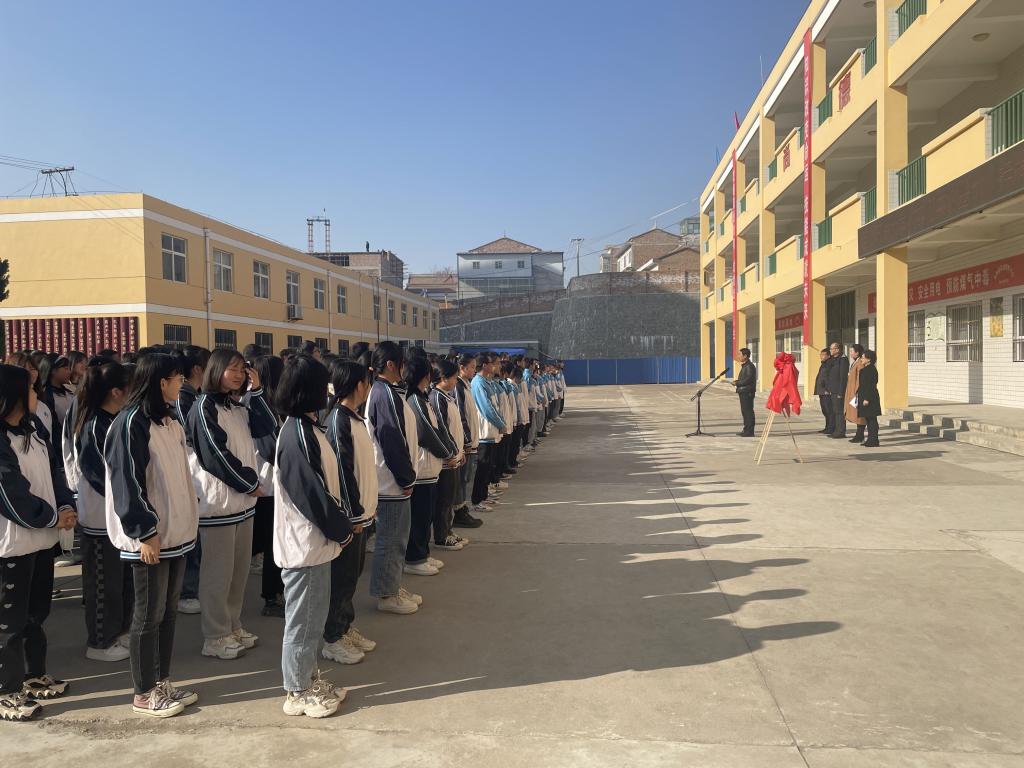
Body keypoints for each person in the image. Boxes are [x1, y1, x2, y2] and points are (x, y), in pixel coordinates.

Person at [104, 353, 199, 718]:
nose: (181, 384)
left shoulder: (169, 421)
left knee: (167, 613)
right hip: (151, 537)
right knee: (147, 615)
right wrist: (145, 531)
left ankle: (162, 682)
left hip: (175, 534)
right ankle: (143, 692)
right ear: (162, 382)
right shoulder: (130, 423)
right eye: (177, 379)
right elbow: (127, 482)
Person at [272, 354, 353, 718]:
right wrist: (341, 529)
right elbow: (312, 495)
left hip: (315, 544)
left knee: (312, 618)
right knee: (303, 622)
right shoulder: (297, 435)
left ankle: (307, 677)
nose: (329, 391)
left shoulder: (307, 429)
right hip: (304, 545)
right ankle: (297, 690)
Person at [187, 349, 276, 660]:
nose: (238, 375)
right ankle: (215, 635)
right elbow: (215, 456)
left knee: (238, 572)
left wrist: (258, 391)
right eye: (232, 369)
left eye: (242, 370)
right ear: (216, 370)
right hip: (219, 505)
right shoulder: (204, 407)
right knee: (218, 574)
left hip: (243, 504)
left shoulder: (237, 406)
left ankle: (233, 625)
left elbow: (267, 429)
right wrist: (250, 482)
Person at [0, 364, 78, 722]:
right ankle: (6, 690)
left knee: (35, 614)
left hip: (41, 539)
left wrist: (64, 506)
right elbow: (11, 494)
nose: (37, 394)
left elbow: (55, 472)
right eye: (31, 389)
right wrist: (50, 516)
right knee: (9, 622)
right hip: (12, 544)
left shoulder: (34, 430)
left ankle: (33, 675)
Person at [74, 361, 134, 662]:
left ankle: (118, 632)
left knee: (122, 584)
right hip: (101, 519)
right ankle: (99, 642)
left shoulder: (118, 419)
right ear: (116, 392)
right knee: (103, 586)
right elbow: (99, 474)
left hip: (120, 516)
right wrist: (125, 500)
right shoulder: (93, 425)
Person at [322, 359, 378, 665]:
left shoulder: (354, 418)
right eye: (366, 383)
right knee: (341, 578)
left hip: (362, 514)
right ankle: (333, 637)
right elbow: (342, 472)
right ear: (359, 385)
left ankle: (345, 626)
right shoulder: (338, 421)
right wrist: (353, 514)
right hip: (351, 517)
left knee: (352, 576)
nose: (368, 388)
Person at [365, 341, 420, 615]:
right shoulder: (383, 394)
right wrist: (406, 478)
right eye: (402, 363)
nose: (404, 369)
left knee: (398, 538)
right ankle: (386, 594)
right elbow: (392, 441)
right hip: (390, 482)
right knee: (390, 539)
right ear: (390, 364)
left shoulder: (387, 391)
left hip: (395, 481)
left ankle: (392, 585)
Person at [403, 354, 457, 577]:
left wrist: (450, 450)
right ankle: (414, 558)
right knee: (420, 516)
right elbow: (426, 433)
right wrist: (447, 453)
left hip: (430, 469)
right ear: (426, 375)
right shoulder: (415, 400)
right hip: (423, 468)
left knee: (426, 515)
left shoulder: (423, 398)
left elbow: (439, 429)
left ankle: (423, 553)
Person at [172, 344, 210, 616]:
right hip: (190, 473)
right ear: (198, 369)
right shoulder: (184, 399)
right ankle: (187, 591)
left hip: (194, 475)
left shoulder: (193, 396)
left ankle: (190, 588)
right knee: (191, 538)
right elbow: (191, 439)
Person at [248, 354, 286, 617]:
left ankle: (273, 594)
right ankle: (271, 598)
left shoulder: (266, 403)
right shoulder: (258, 404)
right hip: (266, 485)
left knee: (264, 541)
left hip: (266, 484)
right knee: (271, 543)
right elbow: (269, 447)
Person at [430, 359, 472, 548]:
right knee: (444, 499)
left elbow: (456, 427)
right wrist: (452, 452)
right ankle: (441, 536)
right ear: (443, 378)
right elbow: (442, 429)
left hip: (454, 456)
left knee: (449, 497)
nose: (456, 381)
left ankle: (447, 530)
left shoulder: (447, 397)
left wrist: (460, 451)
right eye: (454, 377)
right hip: (446, 459)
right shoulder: (436, 398)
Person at [844, 344, 868, 444]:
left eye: (852, 351)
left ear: (857, 352)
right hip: (851, 391)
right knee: (856, 415)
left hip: (857, 392)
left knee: (859, 415)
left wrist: (857, 392)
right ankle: (859, 435)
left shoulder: (860, 363)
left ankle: (860, 435)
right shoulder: (855, 362)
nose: (850, 353)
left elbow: (860, 379)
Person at [857, 350, 881, 448]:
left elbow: (871, 385)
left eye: (863, 358)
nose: (861, 359)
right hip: (864, 396)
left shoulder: (871, 370)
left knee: (872, 420)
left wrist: (867, 399)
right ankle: (871, 439)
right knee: (869, 419)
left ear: (869, 359)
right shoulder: (865, 369)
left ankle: (873, 440)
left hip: (870, 398)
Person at [825, 341, 849, 439]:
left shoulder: (843, 360)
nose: (830, 350)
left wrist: (841, 392)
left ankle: (841, 431)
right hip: (833, 390)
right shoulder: (833, 359)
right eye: (830, 348)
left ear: (837, 349)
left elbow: (843, 377)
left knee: (839, 411)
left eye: (832, 349)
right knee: (835, 411)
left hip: (838, 391)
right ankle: (836, 430)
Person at [733, 348, 756, 437]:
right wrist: (737, 381)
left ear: (745, 356)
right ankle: (746, 429)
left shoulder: (749, 366)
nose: (738, 356)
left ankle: (749, 431)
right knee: (745, 411)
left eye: (740, 355)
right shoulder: (745, 366)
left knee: (748, 411)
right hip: (743, 391)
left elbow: (748, 380)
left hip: (747, 392)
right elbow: (744, 379)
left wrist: (737, 383)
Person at [814, 349, 833, 434]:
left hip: (826, 392)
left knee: (829, 410)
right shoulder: (824, 364)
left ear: (828, 356)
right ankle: (827, 427)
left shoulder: (829, 364)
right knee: (825, 410)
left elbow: (830, 378)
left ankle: (831, 428)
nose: (821, 356)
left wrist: (827, 389)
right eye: (820, 355)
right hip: (821, 391)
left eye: (823, 355)